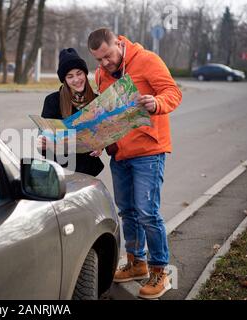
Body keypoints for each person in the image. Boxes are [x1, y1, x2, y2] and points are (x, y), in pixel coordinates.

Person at [87, 28, 182, 299]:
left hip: (148, 151)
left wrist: (157, 102)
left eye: (107, 56)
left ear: (118, 42)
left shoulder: (147, 60)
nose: (105, 63)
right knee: (127, 211)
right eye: (98, 60)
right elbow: (108, 116)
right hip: (120, 154)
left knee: (147, 213)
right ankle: (136, 262)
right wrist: (100, 141)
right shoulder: (101, 75)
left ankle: (160, 272)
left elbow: (172, 92)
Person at [38, 48, 104, 177]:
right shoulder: (52, 101)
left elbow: (104, 132)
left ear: (85, 73)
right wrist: (43, 142)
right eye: (70, 76)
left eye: (79, 73)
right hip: (60, 171)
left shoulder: (97, 101)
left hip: (87, 172)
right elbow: (44, 138)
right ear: (64, 80)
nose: (76, 79)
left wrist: (100, 146)